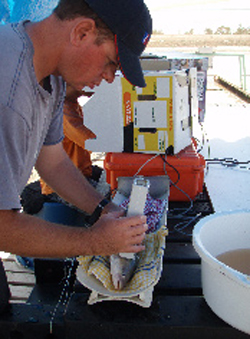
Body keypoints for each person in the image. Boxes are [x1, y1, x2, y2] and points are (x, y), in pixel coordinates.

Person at [0, 0, 152, 270]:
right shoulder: (8, 90)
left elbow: (53, 161)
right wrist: (96, 241)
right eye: (110, 63)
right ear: (82, 32)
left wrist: (106, 209)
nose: (108, 78)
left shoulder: (53, 76)